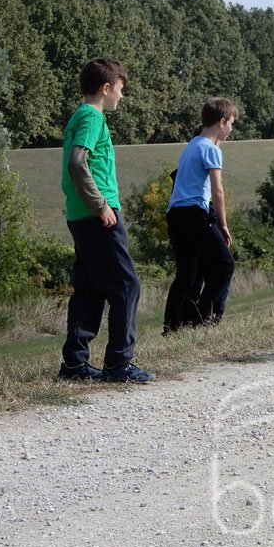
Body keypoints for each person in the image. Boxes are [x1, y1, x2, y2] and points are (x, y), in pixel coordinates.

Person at [59, 57, 155, 383]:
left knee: (89, 289)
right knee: (127, 286)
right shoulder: (92, 117)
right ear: (105, 88)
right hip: (97, 216)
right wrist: (101, 206)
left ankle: (74, 364)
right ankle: (119, 364)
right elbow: (77, 163)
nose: (121, 96)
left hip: (79, 214)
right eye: (120, 89)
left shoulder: (78, 116)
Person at [163, 98, 238, 333]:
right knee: (225, 265)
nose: (231, 130)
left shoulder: (192, 144)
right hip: (195, 212)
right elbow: (217, 190)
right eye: (231, 124)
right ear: (222, 121)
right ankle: (199, 318)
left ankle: (172, 325)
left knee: (187, 273)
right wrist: (223, 225)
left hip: (175, 214)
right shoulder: (211, 149)